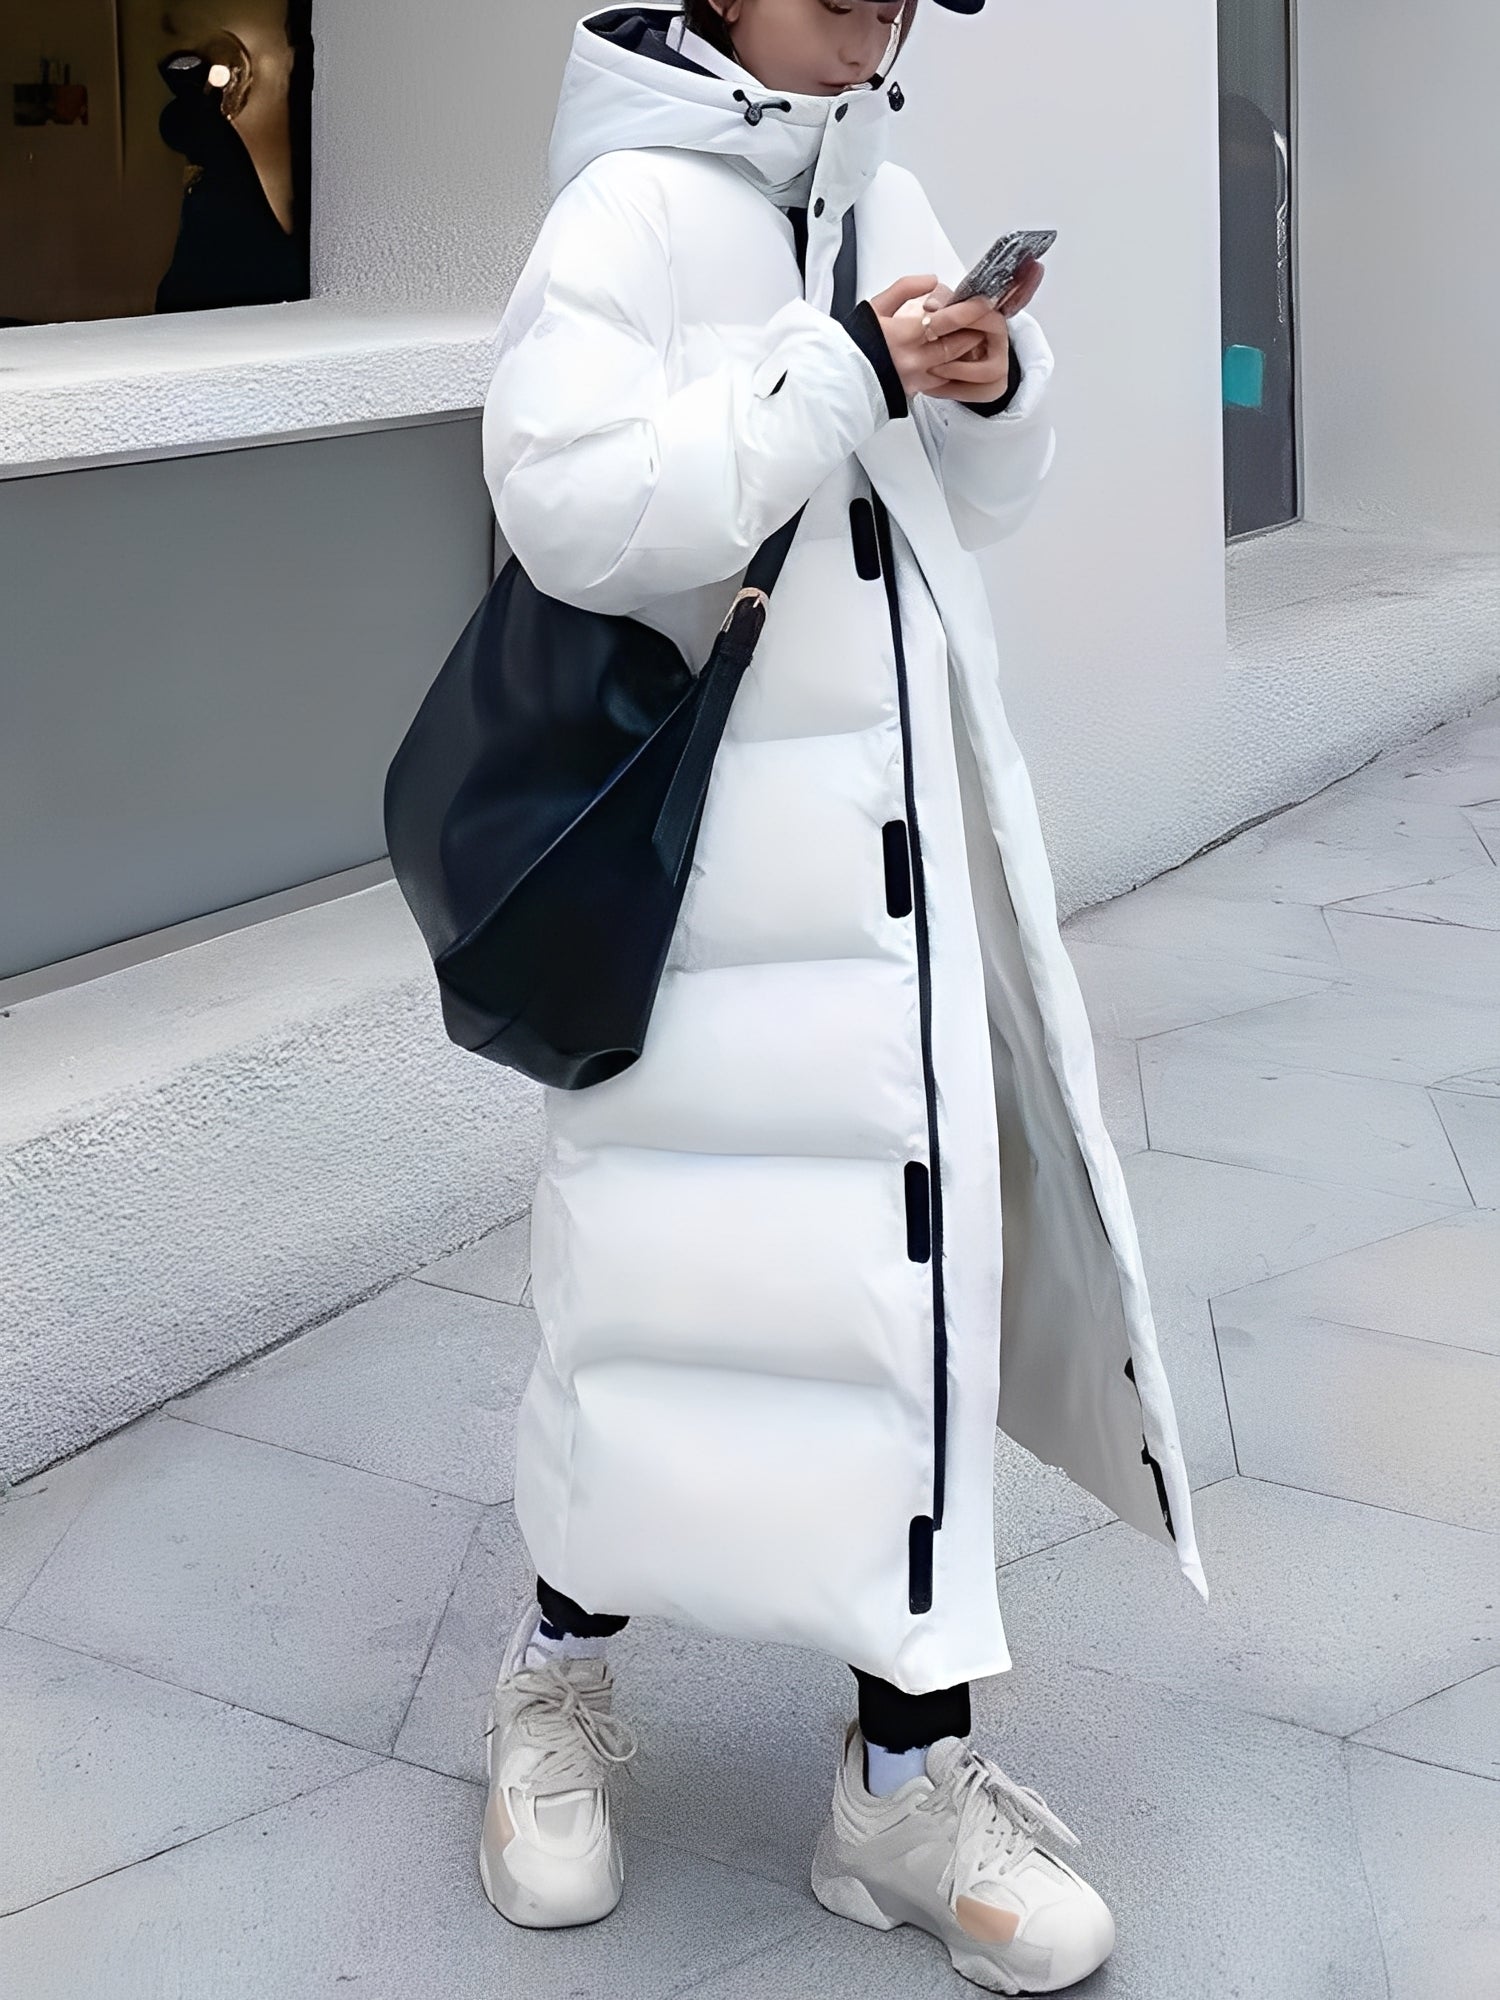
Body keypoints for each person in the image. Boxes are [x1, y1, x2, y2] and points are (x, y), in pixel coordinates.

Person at [477, 1, 1207, 1989]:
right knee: (643, 1299)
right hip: (691, 892)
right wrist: (842, 368)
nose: (878, 6)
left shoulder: (891, 187)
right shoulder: (627, 207)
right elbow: (565, 504)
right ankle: (553, 1686)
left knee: (904, 1312)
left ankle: (904, 1782)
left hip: (888, 896)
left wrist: (991, 381)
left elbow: (980, 495)